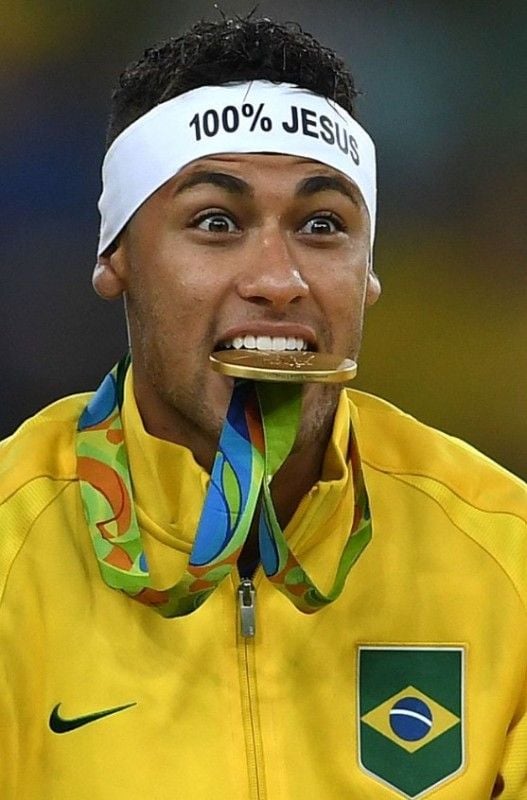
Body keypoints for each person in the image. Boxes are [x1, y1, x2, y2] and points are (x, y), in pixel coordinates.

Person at [0, 16, 526, 800]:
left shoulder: (504, 555)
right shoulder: (11, 546)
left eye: (323, 226)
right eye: (216, 223)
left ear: (369, 272)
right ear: (117, 258)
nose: (278, 279)